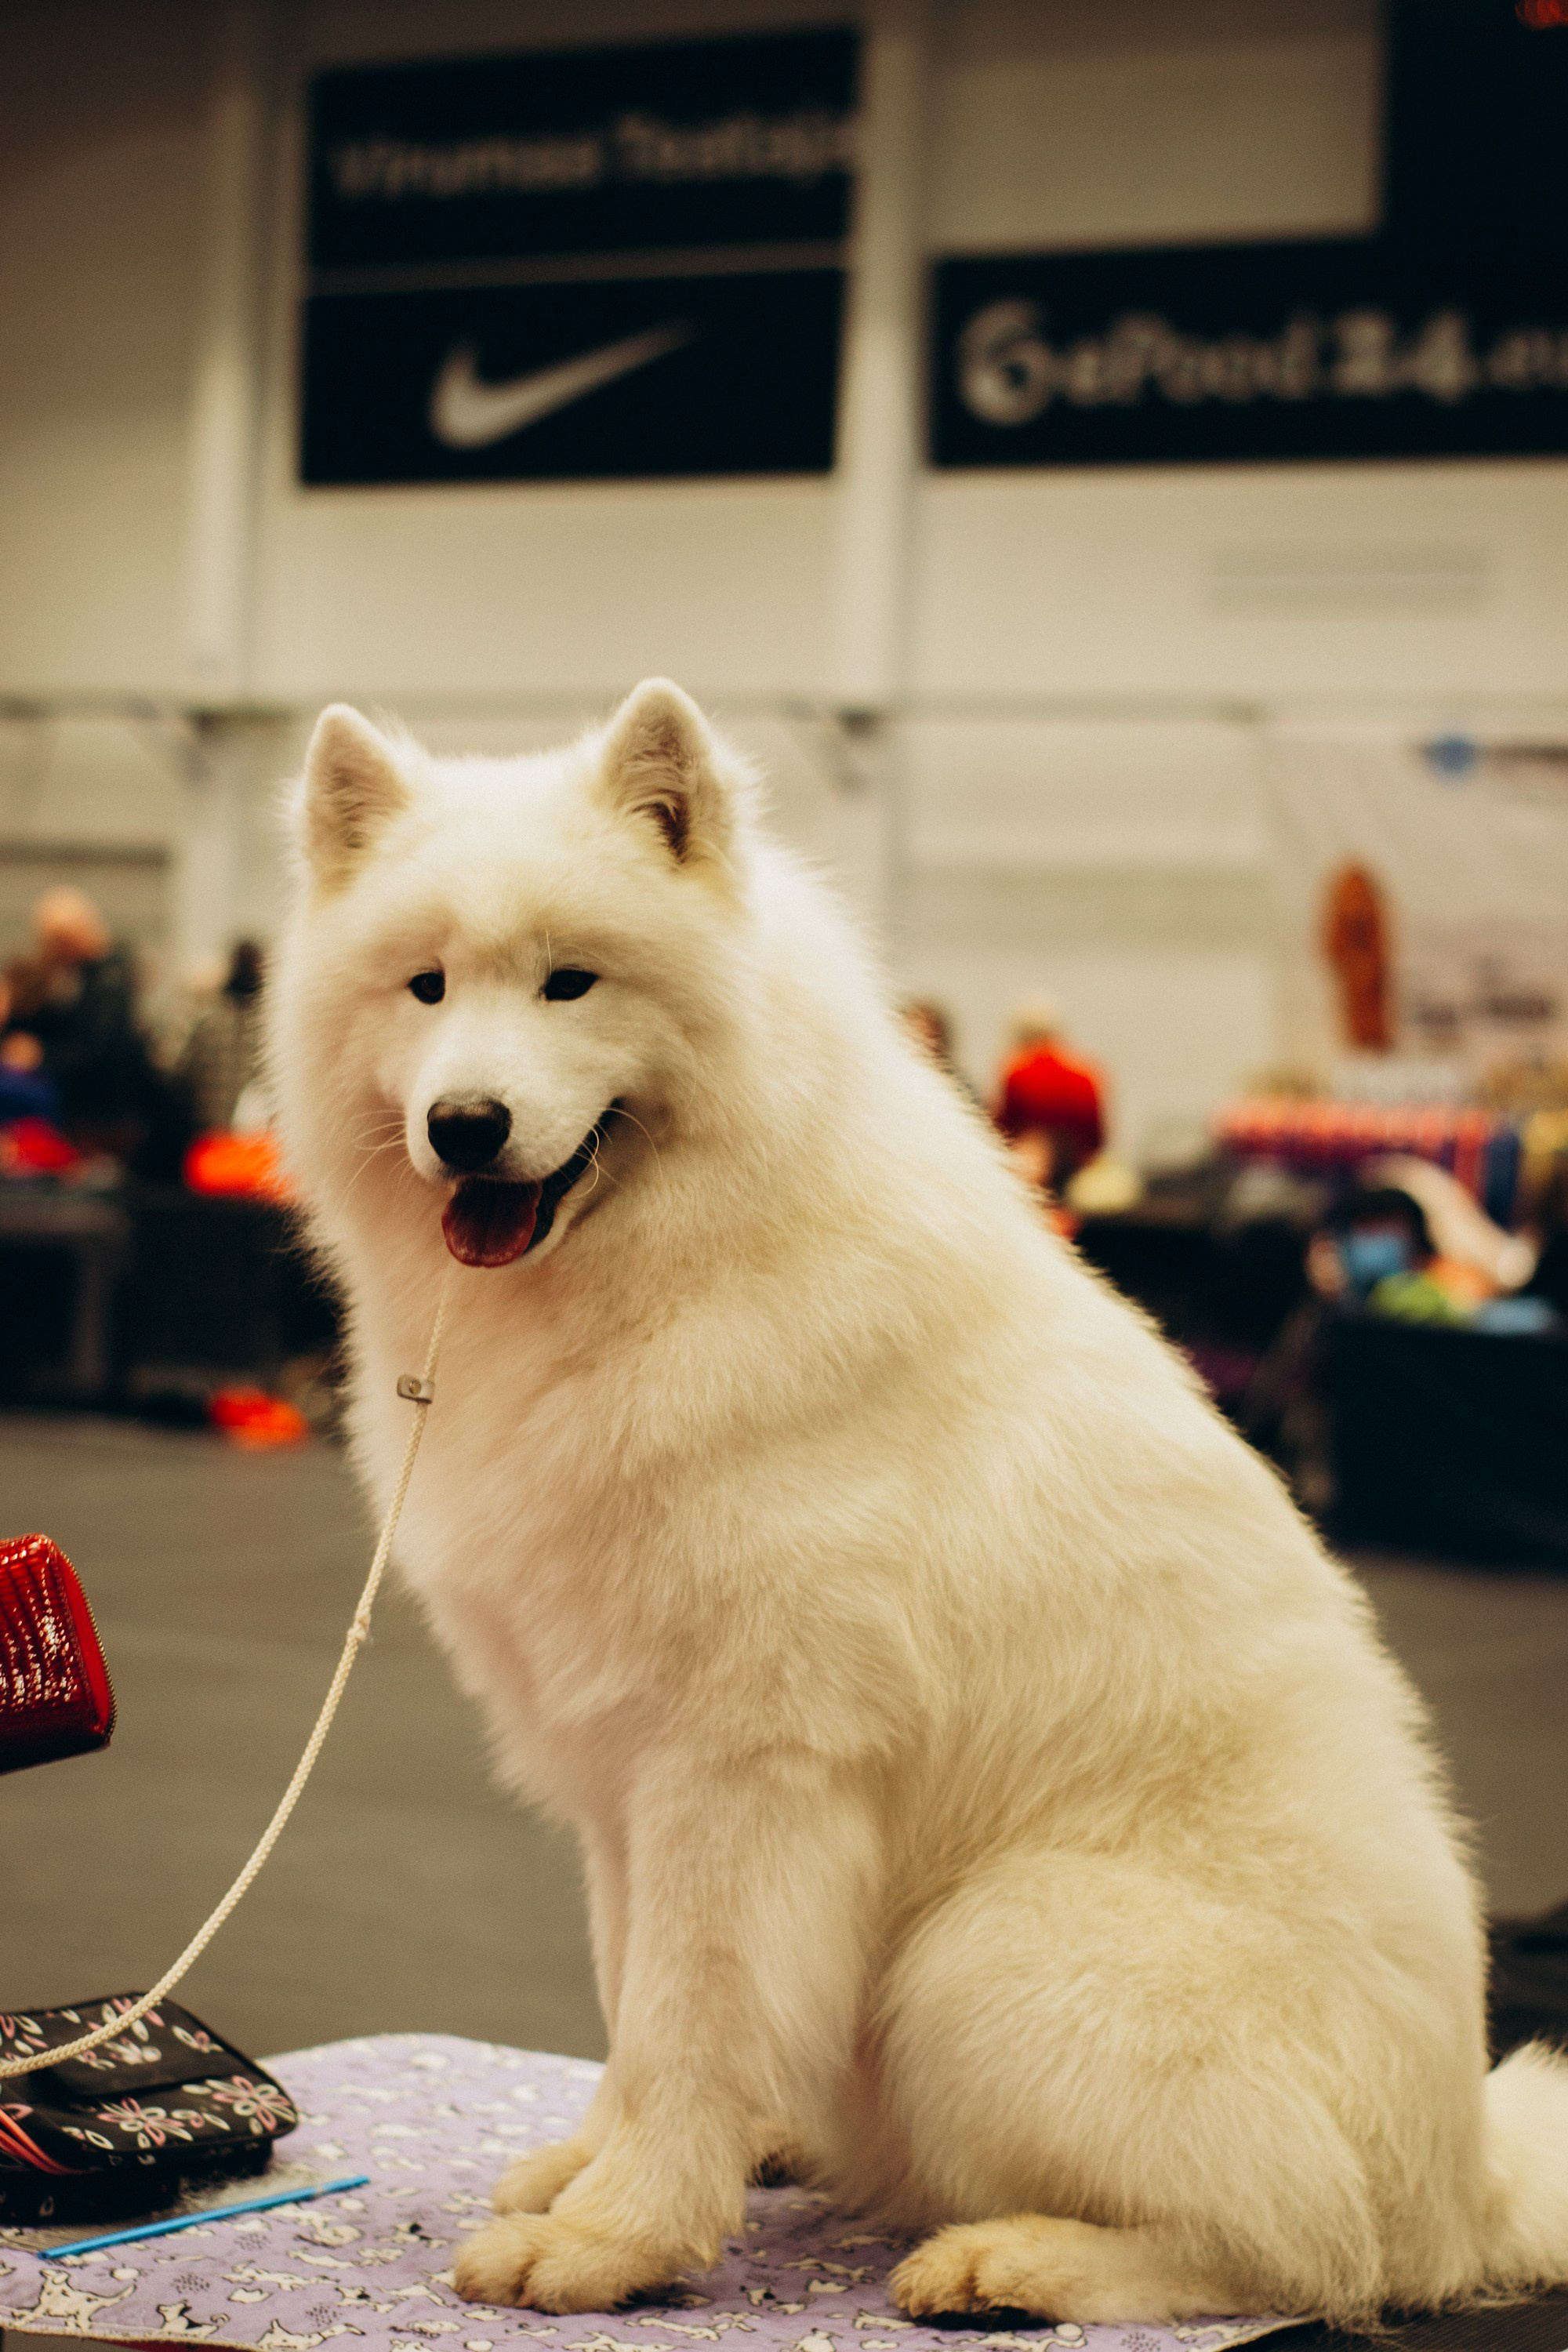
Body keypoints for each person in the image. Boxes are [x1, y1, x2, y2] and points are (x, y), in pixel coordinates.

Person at [4, 885, 188, 1171]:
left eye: (54, 942)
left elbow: (99, 1051)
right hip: (101, 1114)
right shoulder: (88, 976)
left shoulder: (109, 982)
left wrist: (42, 1055)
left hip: (108, 1118)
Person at [994, 998, 1106, 1192]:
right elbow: (1097, 1138)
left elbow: (1004, 1132)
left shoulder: (1017, 1071)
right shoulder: (1087, 1070)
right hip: (1078, 1169)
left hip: (1034, 1171)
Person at [177, 939, 267, 1132]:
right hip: (255, 1135)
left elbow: (183, 1070)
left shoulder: (209, 1019)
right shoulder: (268, 1022)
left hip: (212, 1129)